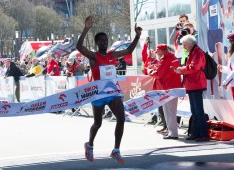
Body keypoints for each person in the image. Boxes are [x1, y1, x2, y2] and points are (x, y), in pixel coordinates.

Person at [76, 16, 142, 164]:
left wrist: (137, 36)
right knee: (98, 123)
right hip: (99, 94)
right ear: (97, 43)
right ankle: (90, 144)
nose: (104, 43)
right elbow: (79, 47)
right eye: (102, 41)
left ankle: (116, 150)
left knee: (121, 118)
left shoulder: (113, 55)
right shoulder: (94, 57)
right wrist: (86, 28)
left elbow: (130, 49)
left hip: (113, 93)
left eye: (106, 40)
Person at [173, 35, 209, 141]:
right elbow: (192, 68)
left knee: (198, 111)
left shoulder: (197, 53)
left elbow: (194, 68)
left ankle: (203, 134)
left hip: (196, 83)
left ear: (190, 43)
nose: (184, 47)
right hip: (193, 83)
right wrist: (182, 69)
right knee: (195, 111)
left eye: (184, 44)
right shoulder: (194, 52)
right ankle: (197, 133)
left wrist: (181, 69)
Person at [147, 44, 181, 139]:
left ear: (162, 51)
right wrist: (154, 68)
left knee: (169, 112)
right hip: (171, 87)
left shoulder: (165, 60)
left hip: (167, 88)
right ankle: (171, 132)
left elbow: (158, 74)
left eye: (157, 51)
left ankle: (173, 133)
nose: (156, 53)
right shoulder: (172, 57)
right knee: (170, 112)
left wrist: (149, 70)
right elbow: (162, 71)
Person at [202, 0, 225, 95]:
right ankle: (211, 90)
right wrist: (208, 0)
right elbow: (203, 11)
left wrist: (222, 19)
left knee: (220, 57)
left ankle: (220, 86)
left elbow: (222, 5)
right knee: (211, 61)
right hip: (210, 30)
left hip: (218, 29)